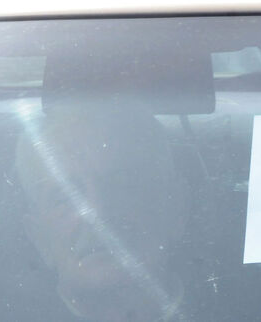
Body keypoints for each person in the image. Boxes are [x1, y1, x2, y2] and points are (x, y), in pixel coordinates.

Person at [14, 102, 190, 322]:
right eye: (64, 198)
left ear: (175, 208)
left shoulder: (244, 308)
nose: (96, 212)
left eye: (123, 184)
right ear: (39, 238)